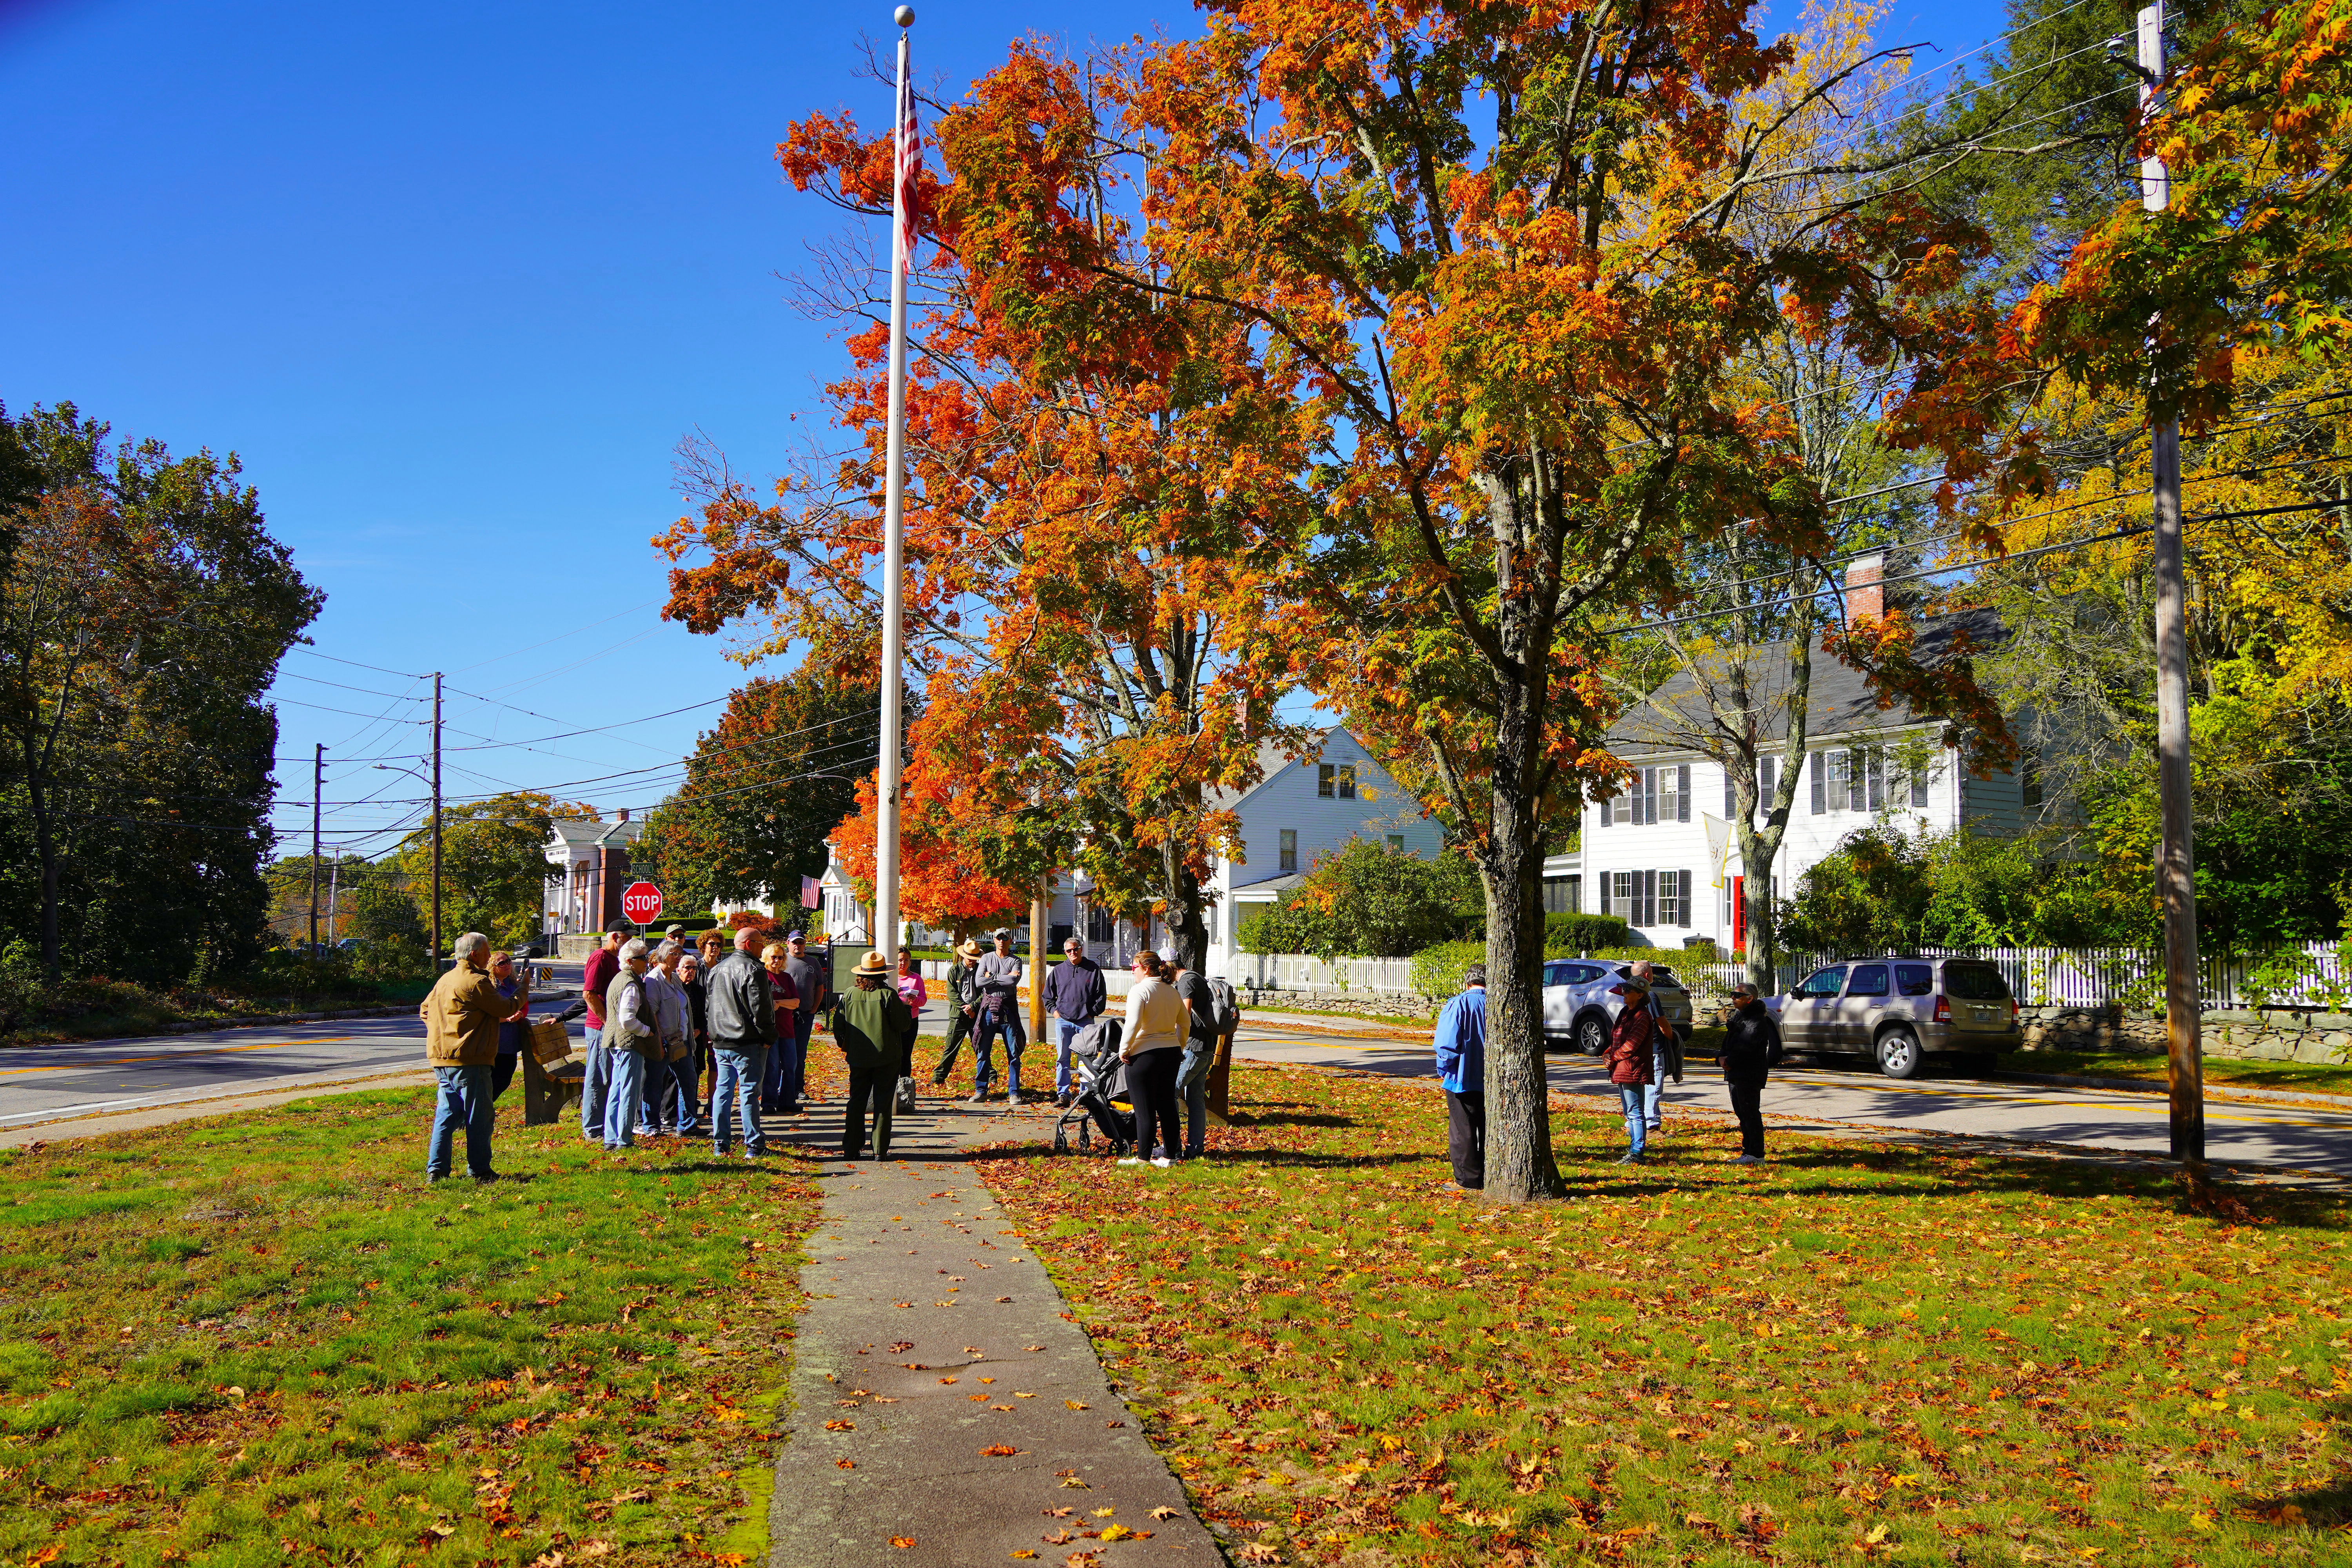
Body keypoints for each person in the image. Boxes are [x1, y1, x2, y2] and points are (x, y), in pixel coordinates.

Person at [419, 931, 531, 1182]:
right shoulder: (476, 982)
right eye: (487, 950)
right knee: (479, 1116)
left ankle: (436, 1170)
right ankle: (479, 1170)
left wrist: (446, 1031)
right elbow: (507, 1007)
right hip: (471, 1058)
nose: (490, 955)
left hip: (442, 1058)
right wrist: (524, 987)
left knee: (447, 1115)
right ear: (474, 954)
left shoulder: (446, 979)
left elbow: (425, 1011)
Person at [836, 950, 916, 1160]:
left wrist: (846, 1045)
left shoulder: (850, 994)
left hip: (859, 1056)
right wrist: (906, 1008)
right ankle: (879, 1149)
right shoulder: (888, 995)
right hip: (887, 1057)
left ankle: (851, 1148)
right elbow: (903, 1025)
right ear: (883, 974)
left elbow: (838, 1026)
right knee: (883, 1102)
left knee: (857, 1101)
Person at [706, 925, 775, 1159]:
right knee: (748, 1093)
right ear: (749, 944)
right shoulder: (754, 969)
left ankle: (720, 1144)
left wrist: (713, 1031)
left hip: (721, 1041)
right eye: (760, 944)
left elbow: (709, 1007)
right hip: (746, 1041)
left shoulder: (717, 969)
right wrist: (768, 1037)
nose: (762, 948)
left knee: (722, 1092)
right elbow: (761, 1009)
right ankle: (754, 1145)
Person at [1118, 950, 1187, 1168]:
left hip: (1144, 1055)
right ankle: (1170, 1157)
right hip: (1171, 1053)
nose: (1133, 973)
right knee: (1167, 1106)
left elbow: (1133, 1023)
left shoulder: (1140, 991)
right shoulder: (1172, 991)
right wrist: (1179, 1045)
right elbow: (1185, 1023)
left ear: (1146, 969)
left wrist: (1124, 1049)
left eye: (1134, 968)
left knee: (1144, 1109)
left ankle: (1143, 1159)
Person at [1433, 963, 1489, 1191]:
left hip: (1462, 1077)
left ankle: (1467, 1179)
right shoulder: (1500, 1004)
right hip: (1494, 1080)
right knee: (1490, 1127)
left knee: (1462, 1129)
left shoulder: (1459, 1004)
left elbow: (1446, 1045)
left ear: (1468, 983)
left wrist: (1444, 1069)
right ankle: (1491, 1173)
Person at [577, 922, 629, 1143]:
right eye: (627, 938)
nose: (629, 942)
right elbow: (589, 994)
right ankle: (593, 1128)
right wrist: (608, 1023)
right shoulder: (600, 958)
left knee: (608, 1077)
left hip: (609, 1028)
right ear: (615, 937)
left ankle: (603, 1124)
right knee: (598, 1077)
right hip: (600, 1029)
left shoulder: (615, 960)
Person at [642, 940, 699, 1137]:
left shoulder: (675, 979)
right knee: (655, 1083)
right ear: (663, 956)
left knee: (689, 1080)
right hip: (663, 1043)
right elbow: (652, 1015)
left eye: (679, 954)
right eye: (674, 954)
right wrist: (659, 1042)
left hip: (681, 1042)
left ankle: (688, 1125)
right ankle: (651, 1126)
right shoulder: (653, 981)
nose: (678, 958)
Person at [1720, 981, 1782, 1163]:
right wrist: (1721, 1058)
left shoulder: (1756, 1020)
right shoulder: (1740, 1016)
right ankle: (1748, 1151)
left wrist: (1729, 1061)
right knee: (1742, 1113)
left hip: (1749, 1074)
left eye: (1737, 995)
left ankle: (1756, 1154)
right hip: (1736, 1072)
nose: (1733, 998)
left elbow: (1747, 1047)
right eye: (1733, 994)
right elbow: (1729, 1043)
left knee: (1750, 1113)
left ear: (1750, 998)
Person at [1166, 947, 1217, 1160]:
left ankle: (1173, 1149)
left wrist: (1175, 1043)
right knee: (1196, 1099)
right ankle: (1195, 1149)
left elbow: (1184, 1015)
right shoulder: (1196, 977)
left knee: (1170, 1093)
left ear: (1168, 965)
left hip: (1194, 1048)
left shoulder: (1186, 981)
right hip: (1205, 1047)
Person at [1044, 935, 1106, 1109]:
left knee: (1086, 1059)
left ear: (1081, 949)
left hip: (1085, 1022)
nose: (1073, 953)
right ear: (1065, 953)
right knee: (1063, 1058)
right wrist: (1056, 1014)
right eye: (1069, 951)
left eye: (1075, 949)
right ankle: (1064, 1094)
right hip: (1063, 1021)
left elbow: (1101, 997)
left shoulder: (1093, 969)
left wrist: (1091, 1012)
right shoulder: (1058, 971)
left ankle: (1084, 1096)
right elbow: (1047, 997)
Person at [1604, 976, 1659, 1164]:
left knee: (1635, 1112)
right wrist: (1607, 1053)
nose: (1624, 994)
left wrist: (1613, 1058)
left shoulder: (1643, 1016)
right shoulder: (1625, 1012)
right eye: (1624, 991)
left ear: (1640, 995)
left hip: (1633, 1068)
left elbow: (1632, 1045)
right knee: (1629, 1112)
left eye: (1628, 991)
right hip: (1622, 1067)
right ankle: (1634, 1151)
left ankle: (1637, 1153)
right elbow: (1616, 1039)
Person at [973, 928, 1029, 1104]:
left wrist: (991, 976)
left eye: (1005, 938)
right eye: (999, 938)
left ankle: (1014, 1092)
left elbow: (1013, 981)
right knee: (983, 1050)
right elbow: (979, 982)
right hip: (989, 1008)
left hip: (1008, 1009)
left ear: (1010, 941)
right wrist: (1003, 977)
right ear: (994, 940)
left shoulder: (1016, 961)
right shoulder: (986, 958)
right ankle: (981, 1090)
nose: (1002, 941)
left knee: (1013, 1052)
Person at [1630, 960, 1684, 1135]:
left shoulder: (1629, 995)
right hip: (1654, 1048)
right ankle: (1652, 1125)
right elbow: (1662, 1024)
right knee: (1653, 1087)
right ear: (1648, 976)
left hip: (1636, 1049)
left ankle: (1633, 1123)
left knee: (1638, 1087)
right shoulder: (1650, 996)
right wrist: (1672, 1039)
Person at [779, 931, 826, 1114]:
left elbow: (820, 987)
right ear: (788, 943)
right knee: (780, 1055)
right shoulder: (781, 960)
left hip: (805, 1015)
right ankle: (779, 1089)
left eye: (801, 943)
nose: (798, 946)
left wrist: (814, 1009)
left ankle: (798, 1088)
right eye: (795, 943)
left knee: (800, 1053)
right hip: (784, 1014)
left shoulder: (813, 963)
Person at [931, 939, 984, 1091]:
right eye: (970, 959)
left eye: (975, 959)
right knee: (951, 1048)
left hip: (976, 1016)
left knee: (981, 1047)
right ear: (963, 956)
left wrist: (973, 1008)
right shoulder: (954, 971)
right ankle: (938, 1078)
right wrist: (965, 1009)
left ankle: (990, 1076)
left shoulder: (981, 971)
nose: (973, 962)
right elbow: (952, 993)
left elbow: (984, 992)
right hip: (958, 1017)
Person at [489, 949, 528, 1102]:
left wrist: (520, 1015)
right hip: (494, 1043)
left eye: (508, 961)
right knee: (493, 1081)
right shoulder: (490, 987)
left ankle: (484, 1108)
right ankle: (480, 1111)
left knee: (505, 1078)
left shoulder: (513, 984)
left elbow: (524, 1005)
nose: (507, 965)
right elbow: (488, 1013)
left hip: (510, 1042)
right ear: (493, 967)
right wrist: (505, 1018)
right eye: (501, 963)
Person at [678, 949, 711, 1119]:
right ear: (679, 970)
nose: (690, 972)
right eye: (687, 968)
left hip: (697, 1039)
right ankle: (674, 1113)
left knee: (695, 1072)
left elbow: (705, 1013)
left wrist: (699, 1029)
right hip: (678, 1039)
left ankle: (691, 1106)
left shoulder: (699, 990)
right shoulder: (675, 988)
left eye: (694, 969)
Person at [893, 950, 927, 1106]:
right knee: (893, 1054)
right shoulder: (891, 976)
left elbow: (923, 1001)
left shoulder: (916, 979)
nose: (903, 963)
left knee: (906, 1054)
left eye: (906, 960)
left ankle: (905, 1087)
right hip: (893, 1021)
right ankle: (891, 1087)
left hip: (911, 1020)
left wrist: (915, 1000)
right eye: (900, 960)